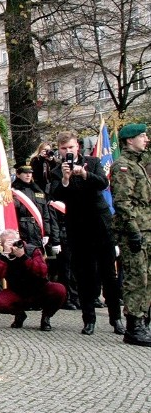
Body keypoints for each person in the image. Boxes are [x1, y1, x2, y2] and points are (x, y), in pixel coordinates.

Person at [49, 130, 125, 336]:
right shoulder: (57, 170)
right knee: (84, 275)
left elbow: (103, 183)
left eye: (71, 148)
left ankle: (116, 318)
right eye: (64, 149)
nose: (68, 152)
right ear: (60, 149)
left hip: (100, 223)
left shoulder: (92, 162)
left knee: (109, 273)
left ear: (78, 147)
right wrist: (65, 179)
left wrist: (84, 174)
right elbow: (55, 195)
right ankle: (88, 319)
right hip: (77, 226)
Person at [109, 123, 151, 346]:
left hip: (146, 228)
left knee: (147, 278)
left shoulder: (138, 165)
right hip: (133, 231)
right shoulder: (123, 167)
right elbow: (122, 203)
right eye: (142, 136)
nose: (146, 139)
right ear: (129, 140)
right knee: (136, 279)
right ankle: (134, 327)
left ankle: (143, 321)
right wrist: (134, 232)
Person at [0, 229, 67, 331]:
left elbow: (42, 272)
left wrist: (23, 257)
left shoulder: (32, 250)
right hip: (18, 292)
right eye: (9, 243)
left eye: (15, 241)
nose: (14, 246)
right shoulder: (4, 256)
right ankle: (19, 315)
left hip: (39, 289)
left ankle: (46, 317)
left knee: (59, 289)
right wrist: (5, 256)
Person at [11, 162, 61, 255]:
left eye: (30, 173)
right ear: (18, 174)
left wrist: (46, 233)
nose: (28, 175)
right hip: (21, 230)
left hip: (37, 231)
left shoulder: (38, 190)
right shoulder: (13, 191)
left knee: (37, 260)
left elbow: (45, 215)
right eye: (25, 173)